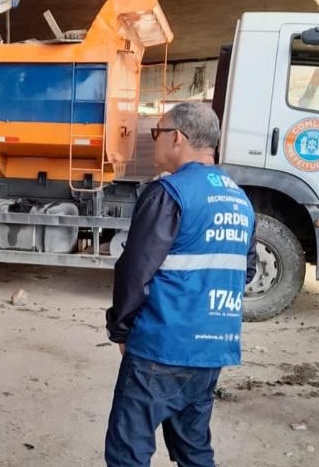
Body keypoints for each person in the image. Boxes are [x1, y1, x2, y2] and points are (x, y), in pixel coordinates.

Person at [104, 102, 257, 467]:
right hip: (212, 350)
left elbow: (135, 271)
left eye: (157, 132)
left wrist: (121, 331)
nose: (153, 139)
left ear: (178, 138)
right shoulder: (240, 199)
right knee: (194, 449)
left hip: (161, 347)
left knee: (129, 451)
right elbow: (244, 271)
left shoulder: (168, 193)